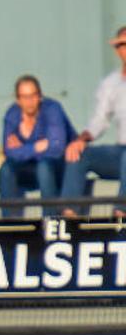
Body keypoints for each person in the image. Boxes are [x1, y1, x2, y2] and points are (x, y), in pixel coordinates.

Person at [60, 26, 126, 217]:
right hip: (120, 152)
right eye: (121, 45)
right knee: (78, 153)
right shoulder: (110, 83)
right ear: (117, 49)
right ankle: (69, 215)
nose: (125, 49)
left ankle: (121, 212)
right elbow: (99, 120)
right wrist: (82, 139)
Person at [0, 75, 76, 218]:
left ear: (40, 96)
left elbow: (56, 148)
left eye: (33, 96)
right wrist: (36, 147)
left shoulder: (52, 109)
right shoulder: (12, 114)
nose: (29, 102)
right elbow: (8, 151)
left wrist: (22, 149)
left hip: (60, 168)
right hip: (30, 168)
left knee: (44, 166)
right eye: (24, 97)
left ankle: (51, 220)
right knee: (6, 169)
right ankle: (9, 224)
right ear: (18, 99)